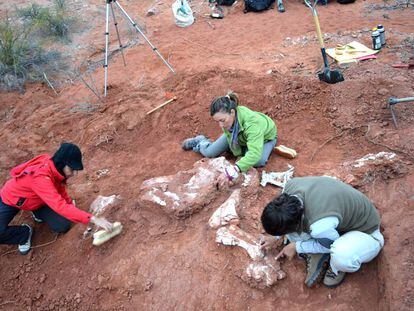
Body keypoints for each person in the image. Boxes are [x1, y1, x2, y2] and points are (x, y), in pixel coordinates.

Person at [260, 176, 384, 288]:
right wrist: (275, 236)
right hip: (337, 217)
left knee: (341, 255)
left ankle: (336, 268)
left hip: (366, 232)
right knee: (299, 234)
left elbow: (330, 244)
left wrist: (297, 247)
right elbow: (287, 217)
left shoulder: (319, 226)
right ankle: (318, 249)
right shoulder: (290, 187)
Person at [0, 143, 114, 255]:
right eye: (72, 169)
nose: (75, 173)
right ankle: (23, 234)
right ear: (62, 163)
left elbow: (59, 187)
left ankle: (37, 212)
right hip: (10, 199)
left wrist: (69, 204)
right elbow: (60, 205)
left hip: (38, 199)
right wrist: (93, 219)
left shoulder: (54, 167)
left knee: (63, 225)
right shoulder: (41, 177)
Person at [182, 92, 277, 188]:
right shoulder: (228, 121)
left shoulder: (251, 125)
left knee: (258, 160)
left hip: (265, 138)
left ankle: (255, 147)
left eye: (222, 120)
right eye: (218, 121)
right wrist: (237, 153)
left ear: (232, 112)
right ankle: (201, 141)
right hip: (240, 136)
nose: (221, 125)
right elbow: (229, 136)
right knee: (209, 152)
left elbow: (255, 154)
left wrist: (232, 171)